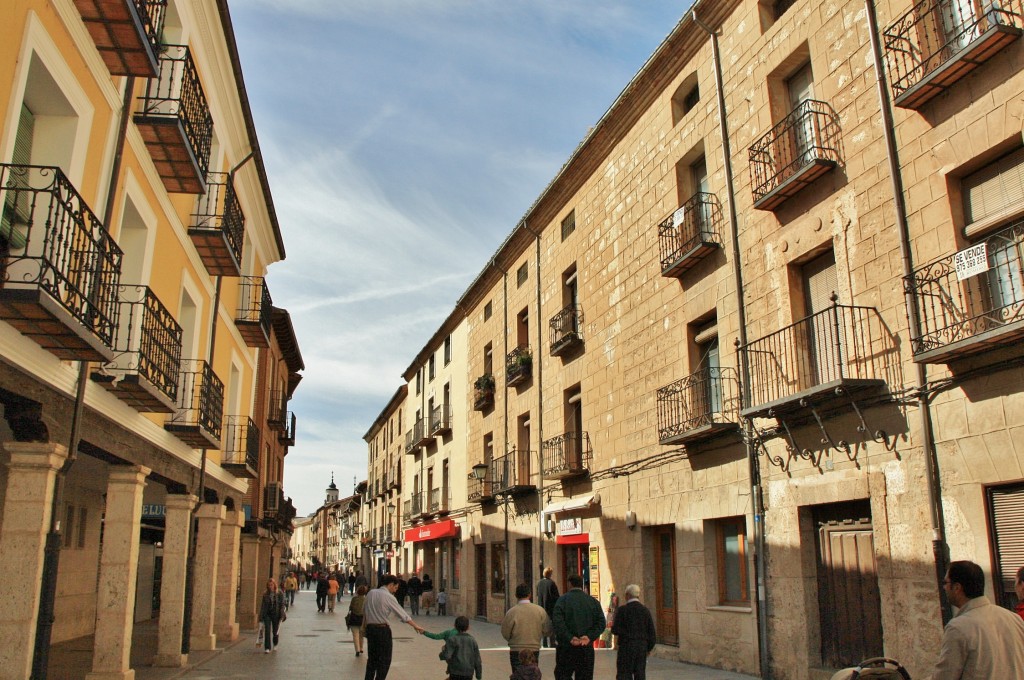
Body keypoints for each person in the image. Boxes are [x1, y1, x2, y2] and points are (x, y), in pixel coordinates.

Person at [933, 560, 1024, 680]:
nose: (944, 587)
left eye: (945, 582)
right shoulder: (1014, 619)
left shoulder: (957, 628)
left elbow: (945, 676)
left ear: (957, 587)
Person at [362, 574, 426, 680]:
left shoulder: (371, 593)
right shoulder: (389, 597)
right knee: (385, 660)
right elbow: (403, 614)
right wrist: (416, 626)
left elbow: (364, 609)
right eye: (395, 587)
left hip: (370, 630)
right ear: (391, 584)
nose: (395, 590)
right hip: (382, 630)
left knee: (372, 659)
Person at [552, 575, 605, 680]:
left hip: (566, 648)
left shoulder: (562, 601)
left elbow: (558, 622)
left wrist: (570, 637)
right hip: (586, 647)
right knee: (585, 676)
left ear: (569, 584)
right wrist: (589, 636)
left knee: (563, 675)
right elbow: (601, 623)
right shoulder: (593, 602)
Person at [501, 583, 553, 674]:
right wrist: (539, 636)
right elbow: (547, 630)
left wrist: (513, 639)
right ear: (529, 594)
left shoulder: (511, 612)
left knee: (517, 675)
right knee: (532, 674)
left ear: (516, 595)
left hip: (516, 649)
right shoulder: (539, 611)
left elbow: (505, 632)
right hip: (533, 648)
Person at [611, 584, 656, 680]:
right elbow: (651, 633)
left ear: (627, 595)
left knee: (624, 674)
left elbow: (615, 629)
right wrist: (648, 648)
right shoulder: (645, 610)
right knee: (640, 674)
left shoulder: (622, 610)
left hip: (626, 647)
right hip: (641, 647)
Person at [439, 615, 482, 680]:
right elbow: (477, 660)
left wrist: (442, 652)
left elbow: (446, 655)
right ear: (468, 627)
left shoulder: (452, 639)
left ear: (455, 626)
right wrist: (479, 675)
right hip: (468, 673)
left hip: (455, 672)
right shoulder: (473, 640)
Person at [258, 578, 287, 653]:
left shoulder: (279, 593)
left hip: (276, 614)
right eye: (269, 585)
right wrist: (261, 616)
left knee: (275, 631)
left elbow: (282, 603)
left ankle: (275, 643)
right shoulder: (265, 594)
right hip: (267, 614)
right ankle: (267, 648)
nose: (270, 586)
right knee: (267, 630)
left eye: (271, 585)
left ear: (274, 585)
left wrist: (282, 613)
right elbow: (263, 605)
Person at [536, 567, 560, 647]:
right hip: (550, 607)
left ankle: (545, 642)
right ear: (550, 574)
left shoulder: (539, 583)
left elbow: (537, 595)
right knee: (551, 625)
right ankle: (552, 642)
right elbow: (556, 596)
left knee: (543, 624)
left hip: (541, 607)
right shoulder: (551, 583)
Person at [348, 584, 368, 656]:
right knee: (361, 635)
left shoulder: (354, 599)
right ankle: (361, 648)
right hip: (362, 619)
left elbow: (350, 608)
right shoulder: (366, 599)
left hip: (354, 619)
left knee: (355, 635)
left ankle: (357, 650)